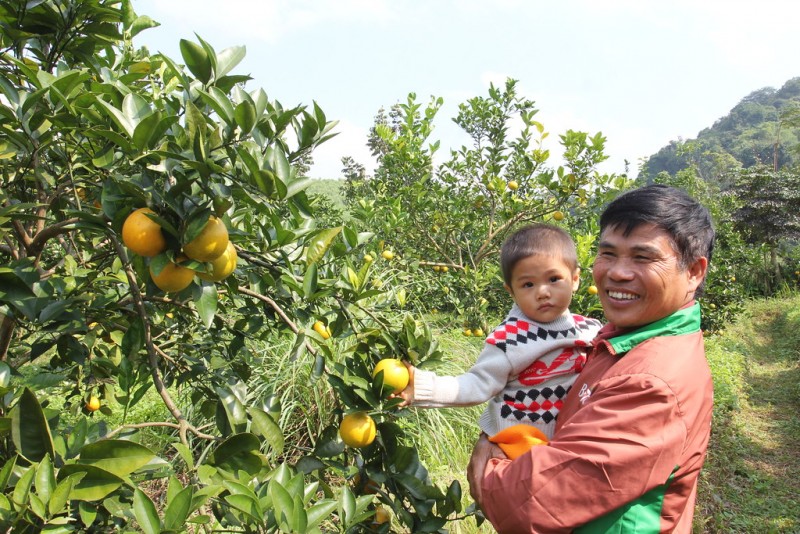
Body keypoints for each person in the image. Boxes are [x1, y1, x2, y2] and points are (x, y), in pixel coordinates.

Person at [467, 184, 715, 533]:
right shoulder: (618, 339)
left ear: (694, 271)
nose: (617, 272)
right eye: (608, 254)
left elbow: (531, 503)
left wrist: (489, 461)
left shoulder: (652, 382)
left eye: (642, 258)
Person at [400, 223, 603, 459]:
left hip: (567, 439)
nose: (543, 292)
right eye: (528, 284)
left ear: (576, 279)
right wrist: (423, 388)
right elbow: (477, 383)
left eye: (554, 279)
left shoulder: (591, 330)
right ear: (511, 291)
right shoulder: (509, 339)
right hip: (516, 442)